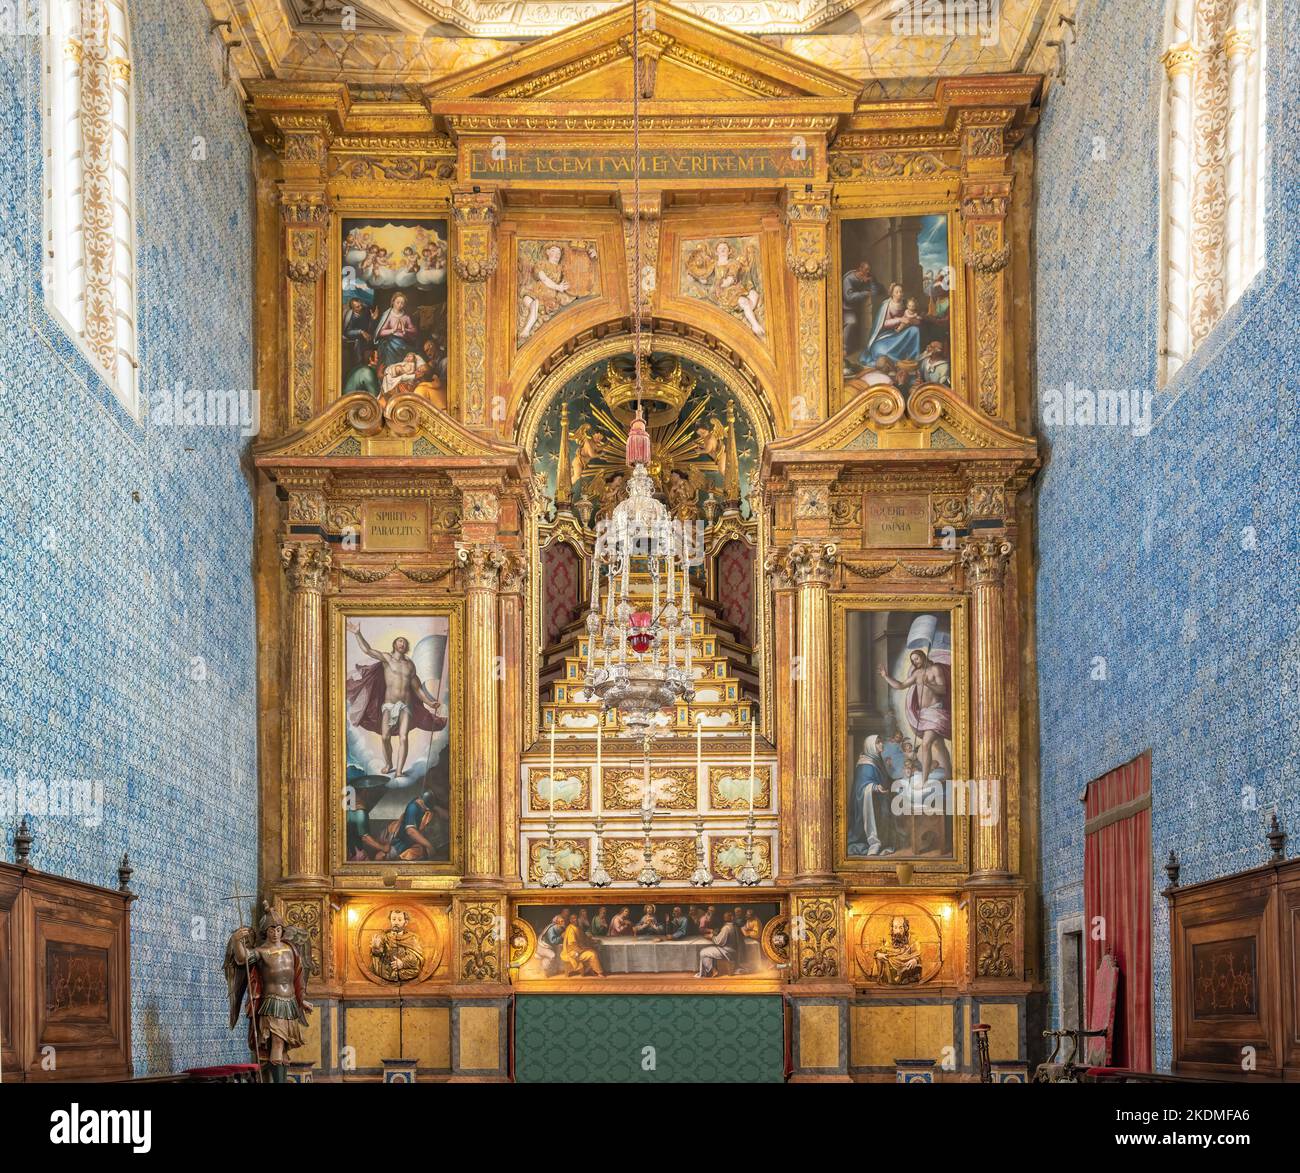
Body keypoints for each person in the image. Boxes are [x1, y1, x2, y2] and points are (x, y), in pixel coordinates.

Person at [224, 904, 314, 1082]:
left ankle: (271, 1078)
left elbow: (297, 977)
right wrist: (236, 941)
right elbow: (242, 959)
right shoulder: (262, 951)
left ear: (283, 930)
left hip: (289, 1002)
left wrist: (301, 1001)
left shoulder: (291, 950)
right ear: (266, 931)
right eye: (271, 929)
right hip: (272, 1002)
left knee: (283, 1047)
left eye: (279, 929)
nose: (275, 933)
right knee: (278, 1043)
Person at [346, 623, 446, 776]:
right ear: (394, 644)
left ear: (406, 647)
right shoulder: (387, 658)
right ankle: (389, 763)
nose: (402, 643)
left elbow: (417, 688)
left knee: (403, 737)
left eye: (404, 642)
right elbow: (368, 650)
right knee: (385, 737)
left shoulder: (410, 665)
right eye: (400, 640)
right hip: (389, 705)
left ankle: (399, 771)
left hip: (405, 706)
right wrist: (357, 633)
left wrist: (429, 702)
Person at [879, 648, 952, 788]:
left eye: (916, 659)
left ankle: (924, 781)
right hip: (924, 714)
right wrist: (885, 676)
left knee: (925, 744)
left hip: (935, 712)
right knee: (939, 744)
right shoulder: (917, 673)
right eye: (912, 660)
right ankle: (949, 774)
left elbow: (943, 689)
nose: (914, 662)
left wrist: (928, 683)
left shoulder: (935, 669)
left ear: (923, 657)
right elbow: (900, 685)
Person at [849, 734, 893, 857]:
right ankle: (873, 843)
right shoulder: (866, 764)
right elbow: (861, 786)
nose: (881, 744)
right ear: (870, 746)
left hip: (878, 801)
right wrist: (875, 787)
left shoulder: (877, 760)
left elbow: (885, 778)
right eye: (878, 742)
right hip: (869, 803)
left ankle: (881, 841)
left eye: (881, 741)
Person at [864, 282, 922, 364]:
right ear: (892, 294)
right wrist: (900, 320)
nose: (899, 294)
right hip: (888, 335)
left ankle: (913, 357)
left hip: (901, 332)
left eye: (901, 291)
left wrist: (912, 320)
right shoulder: (887, 305)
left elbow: (915, 317)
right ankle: (895, 359)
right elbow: (884, 323)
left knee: (914, 330)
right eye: (897, 292)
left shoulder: (906, 303)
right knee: (880, 351)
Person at [842, 259, 884, 373]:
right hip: (847, 308)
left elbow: (875, 292)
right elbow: (849, 297)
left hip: (862, 309)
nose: (868, 272)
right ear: (860, 269)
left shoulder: (867, 277)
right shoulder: (848, 279)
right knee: (851, 323)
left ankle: (867, 349)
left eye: (869, 270)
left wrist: (872, 282)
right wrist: (865, 293)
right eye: (866, 270)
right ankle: (844, 349)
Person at [369, 908, 424, 983]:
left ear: (406, 922)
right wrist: (375, 949)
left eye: (399, 920)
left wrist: (402, 963)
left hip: (406, 971)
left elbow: (415, 958)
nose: (396, 922)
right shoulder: (383, 937)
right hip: (386, 971)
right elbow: (378, 955)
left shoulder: (412, 938)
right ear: (390, 920)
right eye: (393, 919)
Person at [873, 916, 922, 985]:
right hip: (890, 969)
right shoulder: (888, 940)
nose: (898, 931)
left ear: (906, 928)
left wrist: (915, 960)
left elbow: (917, 955)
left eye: (900, 927)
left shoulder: (913, 940)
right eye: (895, 927)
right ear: (892, 928)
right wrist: (878, 954)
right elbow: (879, 950)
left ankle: (905, 976)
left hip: (907, 966)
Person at [375, 292, 418, 365]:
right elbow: (380, 332)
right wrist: (393, 330)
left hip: (403, 342)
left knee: (408, 351)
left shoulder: (406, 317)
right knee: (392, 346)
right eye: (398, 302)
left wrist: (405, 329)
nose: (400, 305)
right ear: (393, 302)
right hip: (390, 341)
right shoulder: (388, 315)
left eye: (402, 303)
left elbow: (414, 331)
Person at [696, 911, 740, 978]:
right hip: (732, 950)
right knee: (709, 951)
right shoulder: (734, 926)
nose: (724, 917)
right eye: (724, 916)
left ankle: (712, 971)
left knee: (703, 952)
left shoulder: (726, 928)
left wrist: (711, 937)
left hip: (726, 951)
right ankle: (713, 969)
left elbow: (719, 942)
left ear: (731, 917)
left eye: (726, 916)